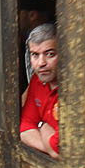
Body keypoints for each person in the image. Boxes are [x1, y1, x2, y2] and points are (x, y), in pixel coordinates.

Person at [19, 22, 59, 158]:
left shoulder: (73, 89)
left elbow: (62, 150)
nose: (41, 63)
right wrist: (49, 147)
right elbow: (24, 128)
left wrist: (40, 126)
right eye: (35, 55)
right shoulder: (37, 80)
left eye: (50, 54)